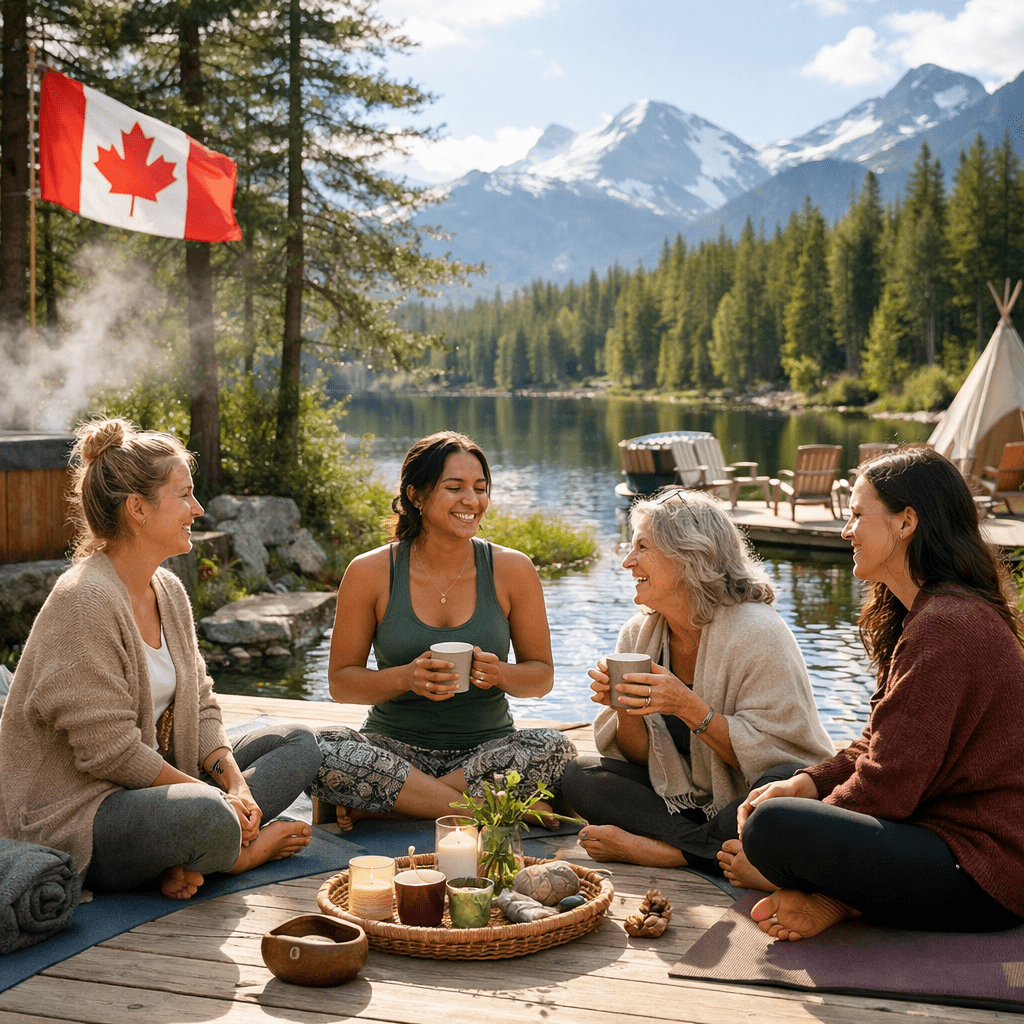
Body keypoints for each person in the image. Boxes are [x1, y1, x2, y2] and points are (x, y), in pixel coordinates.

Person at [0, 418, 322, 900]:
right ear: (138, 509)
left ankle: (189, 852)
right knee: (206, 815)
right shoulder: (82, 601)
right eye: (185, 495)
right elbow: (110, 753)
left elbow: (203, 699)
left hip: (156, 784)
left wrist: (234, 783)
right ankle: (234, 855)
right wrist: (215, 799)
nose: (198, 508)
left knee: (299, 742)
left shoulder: (167, 589)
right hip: (78, 811)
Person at [735, 445, 1024, 940]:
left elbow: (888, 785)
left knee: (772, 828)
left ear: (905, 522)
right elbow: (879, 741)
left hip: (983, 871)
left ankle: (835, 894)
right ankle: (841, 898)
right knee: (780, 781)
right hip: (942, 836)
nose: (846, 530)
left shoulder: (948, 626)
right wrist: (807, 784)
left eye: (856, 514)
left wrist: (802, 831)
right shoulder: (930, 613)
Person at [309, 431, 575, 829]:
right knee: (317, 748)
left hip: (484, 754)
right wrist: (406, 678)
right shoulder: (370, 572)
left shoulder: (513, 569)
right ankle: (484, 811)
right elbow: (341, 683)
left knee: (555, 748)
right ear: (416, 495)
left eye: (480, 488)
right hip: (394, 750)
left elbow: (541, 677)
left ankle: (399, 804)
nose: (472, 501)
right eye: (455, 487)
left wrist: (499, 673)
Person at [561, 487, 834, 873]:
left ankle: (669, 852)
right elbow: (641, 760)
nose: (627, 562)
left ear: (688, 556)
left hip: (748, 796)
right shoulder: (639, 636)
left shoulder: (758, 632)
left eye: (642, 548)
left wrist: (687, 707)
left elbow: (780, 757)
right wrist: (624, 709)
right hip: (684, 802)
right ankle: (703, 848)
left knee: (778, 797)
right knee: (580, 776)